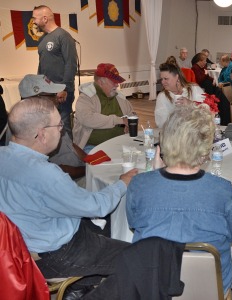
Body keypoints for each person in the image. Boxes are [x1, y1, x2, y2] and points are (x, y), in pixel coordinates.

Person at [0, 97, 138, 300]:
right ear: (41, 134)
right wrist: (122, 183)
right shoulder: (46, 175)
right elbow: (97, 206)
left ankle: (79, 287)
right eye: (59, 125)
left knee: (106, 228)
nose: (62, 130)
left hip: (21, 248)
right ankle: (85, 287)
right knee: (139, 257)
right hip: (56, 254)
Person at [126, 104, 232, 299]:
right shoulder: (223, 190)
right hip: (209, 286)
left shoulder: (138, 184)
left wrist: (152, 173)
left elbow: (134, 224)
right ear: (204, 151)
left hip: (153, 285)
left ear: (165, 143)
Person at [18, 74, 86, 179]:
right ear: (37, 98)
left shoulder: (49, 117)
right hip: (67, 181)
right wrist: (87, 170)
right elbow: (55, 170)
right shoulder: (26, 128)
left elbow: (69, 143)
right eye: (53, 94)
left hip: (79, 171)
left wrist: (89, 160)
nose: (57, 98)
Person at [33, 5, 77, 138]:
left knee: (63, 126)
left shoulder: (63, 36)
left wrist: (64, 88)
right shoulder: (42, 40)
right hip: (46, 92)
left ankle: (69, 157)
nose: (34, 21)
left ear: (45, 18)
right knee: (49, 127)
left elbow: (71, 64)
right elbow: (42, 66)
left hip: (61, 91)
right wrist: (38, 87)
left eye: (35, 18)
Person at [72, 63, 133, 153]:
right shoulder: (86, 97)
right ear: (101, 82)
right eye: (113, 81)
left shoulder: (120, 97)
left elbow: (132, 113)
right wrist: (119, 120)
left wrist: (130, 123)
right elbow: (88, 119)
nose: (117, 85)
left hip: (121, 144)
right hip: (93, 147)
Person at [155, 63, 205, 128]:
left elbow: (208, 111)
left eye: (166, 79)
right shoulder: (162, 97)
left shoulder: (194, 89)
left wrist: (190, 104)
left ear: (177, 77)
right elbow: (162, 123)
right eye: (162, 79)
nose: (162, 82)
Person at [191, 52, 232, 125]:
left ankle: (225, 121)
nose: (205, 62)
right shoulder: (195, 68)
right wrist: (206, 74)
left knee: (225, 102)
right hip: (207, 90)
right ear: (200, 61)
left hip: (211, 88)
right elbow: (199, 79)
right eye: (204, 61)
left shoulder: (202, 67)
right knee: (222, 103)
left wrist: (212, 79)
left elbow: (206, 76)